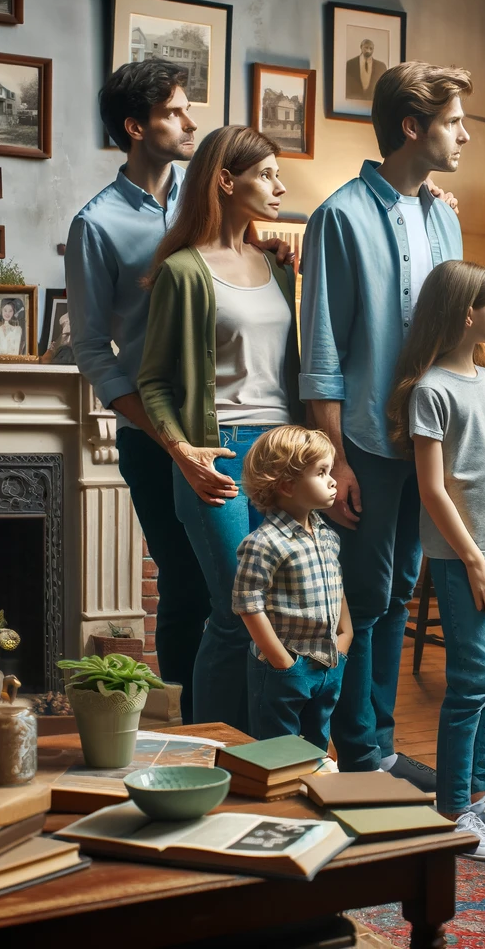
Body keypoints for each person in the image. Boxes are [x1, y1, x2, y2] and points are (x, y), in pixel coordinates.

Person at [65, 59, 291, 724]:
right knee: (189, 589)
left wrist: (275, 257)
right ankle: (196, 732)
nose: (190, 120)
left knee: (242, 593)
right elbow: (90, 354)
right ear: (136, 127)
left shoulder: (214, 199)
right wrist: (173, 440)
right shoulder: (97, 224)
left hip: (234, 425)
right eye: (173, 111)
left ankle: (244, 733)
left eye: (188, 109)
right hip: (155, 433)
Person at [300, 61, 472, 787]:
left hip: (424, 436)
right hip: (364, 438)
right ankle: (356, 751)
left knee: (400, 588)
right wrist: (335, 459)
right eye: (454, 121)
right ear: (412, 127)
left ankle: (380, 744)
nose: (465, 134)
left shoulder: (447, 214)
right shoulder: (337, 216)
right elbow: (323, 351)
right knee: (363, 596)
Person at [137, 125, 304, 733]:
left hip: (285, 458)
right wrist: (183, 453)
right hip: (222, 456)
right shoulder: (183, 271)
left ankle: (267, 752)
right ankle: (209, 752)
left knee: (282, 614)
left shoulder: (282, 266)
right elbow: (153, 380)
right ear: (226, 181)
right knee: (236, 613)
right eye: (266, 174)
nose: (279, 186)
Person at [387, 260, 485, 861]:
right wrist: (474, 560)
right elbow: (432, 490)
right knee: (471, 683)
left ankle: (479, 794)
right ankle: (452, 810)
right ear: (465, 313)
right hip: (462, 560)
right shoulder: (431, 390)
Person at [233, 425, 353, 745]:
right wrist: (284, 664)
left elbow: (335, 583)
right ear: (287, 485)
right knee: (278, 751)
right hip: (285, 670)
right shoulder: (264, 543)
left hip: (326, 664)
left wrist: (345, 636)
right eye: (321, 472)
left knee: (316, 746)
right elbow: (248, 605)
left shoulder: (325, 535)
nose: (332, 480)